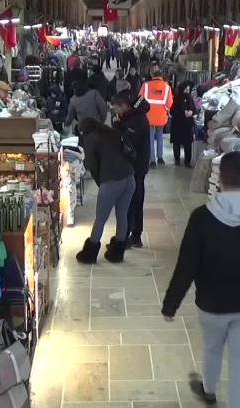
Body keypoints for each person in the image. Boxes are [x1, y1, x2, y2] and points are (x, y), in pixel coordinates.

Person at [161, 151, 240, 408]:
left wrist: (170, 305)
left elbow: (187, 266)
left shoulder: (201, 217)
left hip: (211, 303)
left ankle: (208, 390)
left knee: (211, 348)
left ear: (220, 179)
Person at [75, 118, 136, 264]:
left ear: (84, 131)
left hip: (112, 181)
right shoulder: (110, 132)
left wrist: (101, 183)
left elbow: (92, 165)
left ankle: (89, 254)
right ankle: (117, 253)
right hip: (129, 178)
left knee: (100, 219)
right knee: (122, 216)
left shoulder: (90, 139)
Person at [111, 90, 151, 248]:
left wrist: (117, 127)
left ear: (125, 106)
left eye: (117, 108)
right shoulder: (132, 117)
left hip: (136, 166)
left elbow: (127, 144)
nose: (116, 111)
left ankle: (127, 236)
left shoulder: (136, 121)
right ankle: (132, 235)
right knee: (134, 199)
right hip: (136, 165)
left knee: (132, 201)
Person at [139, 69, 173, 167]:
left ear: (152, 75)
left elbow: (140, 99)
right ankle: (160, 157)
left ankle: (152, 160)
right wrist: (165, 109)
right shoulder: (166, 87)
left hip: (148, 116)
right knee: (159, 136)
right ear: (162, 76)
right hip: (161, 116)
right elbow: (169, 102)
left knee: (150, 137)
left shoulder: (146, 85)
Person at [169, 81, 196, 167]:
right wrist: (182, 113)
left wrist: (191, 112)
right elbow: (172, 111)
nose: (188, 91)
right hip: (178, 124)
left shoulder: (190, 98)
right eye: (186, 89)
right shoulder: (176, 98)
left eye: (189, 89)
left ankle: (187, 161)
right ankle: (177, 160)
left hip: (187, 125)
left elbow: (194, 109)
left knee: (188, 144)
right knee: (177, 143)